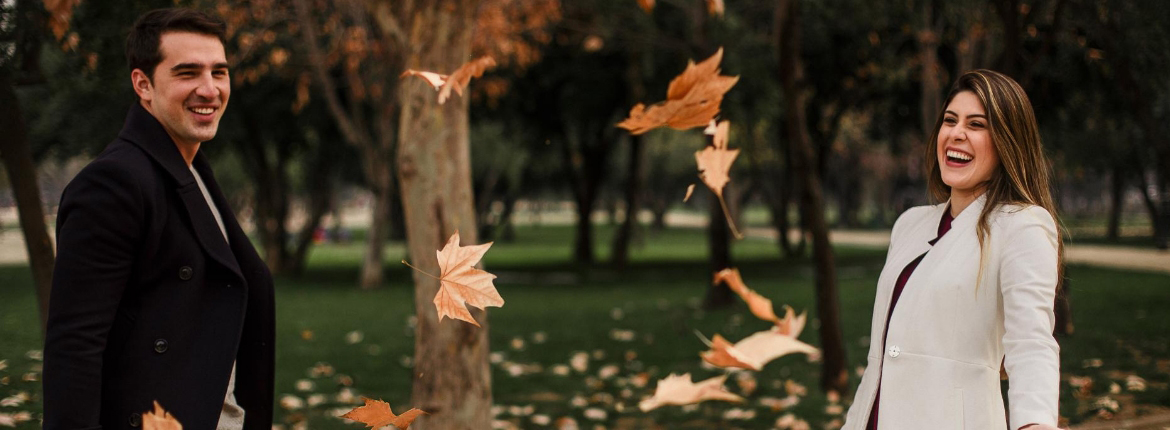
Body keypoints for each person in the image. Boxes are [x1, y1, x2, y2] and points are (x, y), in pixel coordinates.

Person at [43, 8, 274, 430]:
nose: (210, 89)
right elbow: (74, 347)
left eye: (219, 73)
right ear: (143, 85)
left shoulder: (191, 169)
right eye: (188, 73)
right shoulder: (114, 183)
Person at [842, 70, 1063, 430]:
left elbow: (1031, 341)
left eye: (976, 124)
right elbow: (882, 359)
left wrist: (1034, 423)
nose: (956, 133)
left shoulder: (1023, 226)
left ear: (1008, 141)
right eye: (950, 120)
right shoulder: (909, 225)